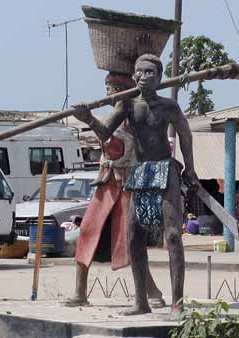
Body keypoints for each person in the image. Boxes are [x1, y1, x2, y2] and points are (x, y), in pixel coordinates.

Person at [73, 54, 199, 316]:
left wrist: (191, 170)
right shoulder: (127, 105)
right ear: (133, 77)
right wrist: (88, 119)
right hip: (139, 172)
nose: (143, 77)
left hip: (165, 171)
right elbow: (105, 132)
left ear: (160, 76)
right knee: (133, 238)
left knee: (173, 235)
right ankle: (141, 302)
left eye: (149, 72)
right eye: (139, 72)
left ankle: (178, 303)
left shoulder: (169, 107)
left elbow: (185, 135)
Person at [67, 72, 165, 308]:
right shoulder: (113, 116)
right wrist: (89, 119)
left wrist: (89, 119)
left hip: (126, 186)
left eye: (111, 88)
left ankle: (152, 293)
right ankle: (80, 292)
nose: (107, 93)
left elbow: (109, 140)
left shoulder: (133, 116)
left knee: (131, 241)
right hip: (106, 184)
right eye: (107, 88)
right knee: (86, 234)